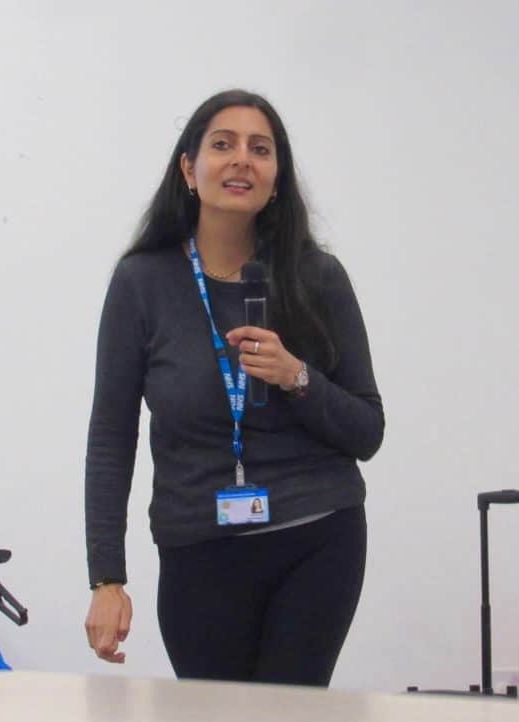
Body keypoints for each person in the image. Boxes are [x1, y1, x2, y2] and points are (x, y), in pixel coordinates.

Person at [84, 89, 383, 687]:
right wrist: (106, 579)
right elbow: (111, 438)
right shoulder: (142, 282)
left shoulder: (319, 277)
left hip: (316, 536)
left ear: (277, 178)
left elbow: (367, 431)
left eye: (260, 149)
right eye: (223, 145)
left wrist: (297, 376)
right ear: (188, 169)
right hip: (198, 546)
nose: (242, 159)